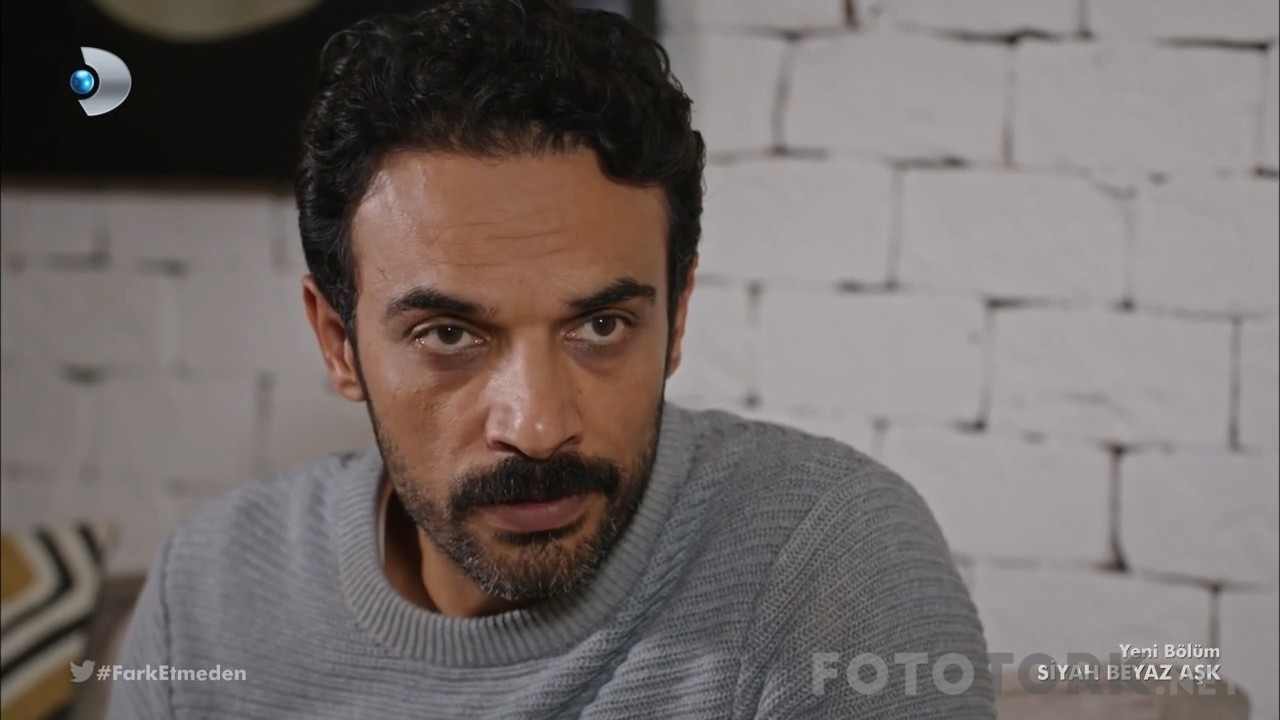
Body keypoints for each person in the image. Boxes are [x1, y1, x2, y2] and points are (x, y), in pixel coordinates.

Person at [109, 1, 994, 717]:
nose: (536, 427)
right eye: (449, 335)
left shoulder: (827, 564)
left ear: (677, 316)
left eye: (601, 326)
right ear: (339, 343)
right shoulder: (209, 595)